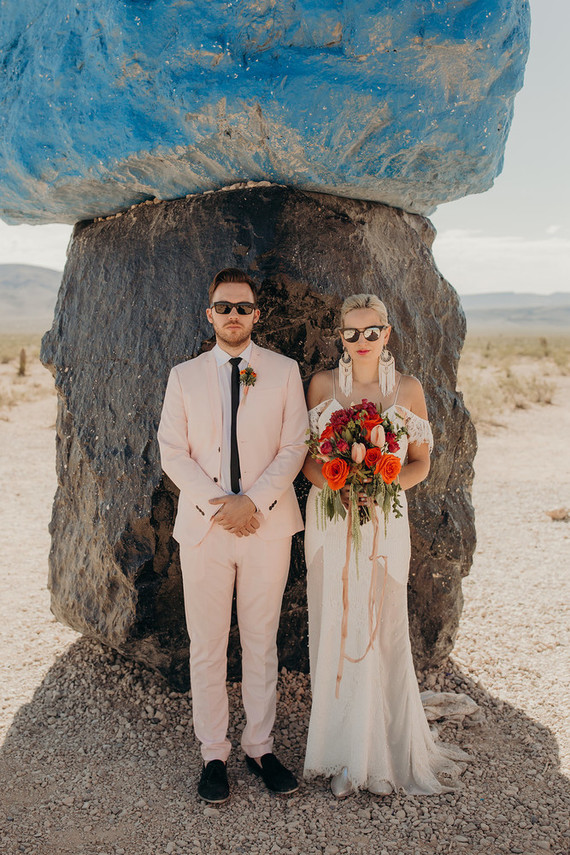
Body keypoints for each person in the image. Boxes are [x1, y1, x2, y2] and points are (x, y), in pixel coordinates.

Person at [158, 268, 308, 804]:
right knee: (207, 644)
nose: (234, 315)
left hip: (267, 526)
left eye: (243, 307)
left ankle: (261, 747)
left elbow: (295, 446)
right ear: (210, 314)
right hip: (205, 530)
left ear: (256, 314)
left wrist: (255, 502)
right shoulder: (184, 376)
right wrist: (222, 506)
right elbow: (172, 452)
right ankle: (213, 753)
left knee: (262, 641)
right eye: (224, 307)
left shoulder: (285, 371)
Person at [302, 293, 460, 797]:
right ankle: (341, 751)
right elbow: (305, 462)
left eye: (372, 331)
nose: (362, 341)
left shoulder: (409, 390)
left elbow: (421, 463)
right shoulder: (322, 386)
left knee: (381, 626)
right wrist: (338, 485)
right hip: (332, 520)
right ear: (340, 337)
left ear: (387, 333)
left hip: (384, 523)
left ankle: (379, 751)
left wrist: (379, 488)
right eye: (352, 332)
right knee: (336, 624)